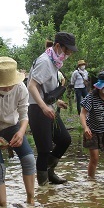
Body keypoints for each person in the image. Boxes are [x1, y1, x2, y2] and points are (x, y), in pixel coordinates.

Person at [0, 57, 36, 206]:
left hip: (12, 125)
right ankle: (3, 207)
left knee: (29, 160)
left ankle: (30, 199)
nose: (8, 89)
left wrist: (21, 132)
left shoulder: (21, 88)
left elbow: (24, 113)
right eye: (3, 86)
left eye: (10, 85)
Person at [27, 32, 77, 186]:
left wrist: (56, 101)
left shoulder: (53, 61)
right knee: (44, 149)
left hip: (48, 107)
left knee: (64, 139)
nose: (68, 54)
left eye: (70, 52)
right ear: (57, 46)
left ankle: (48, 170)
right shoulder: (45, 62)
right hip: (38, 109)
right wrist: (43, 107)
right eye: (66, 51)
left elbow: (46, 88)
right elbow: (31, 86)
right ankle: (43, 186)